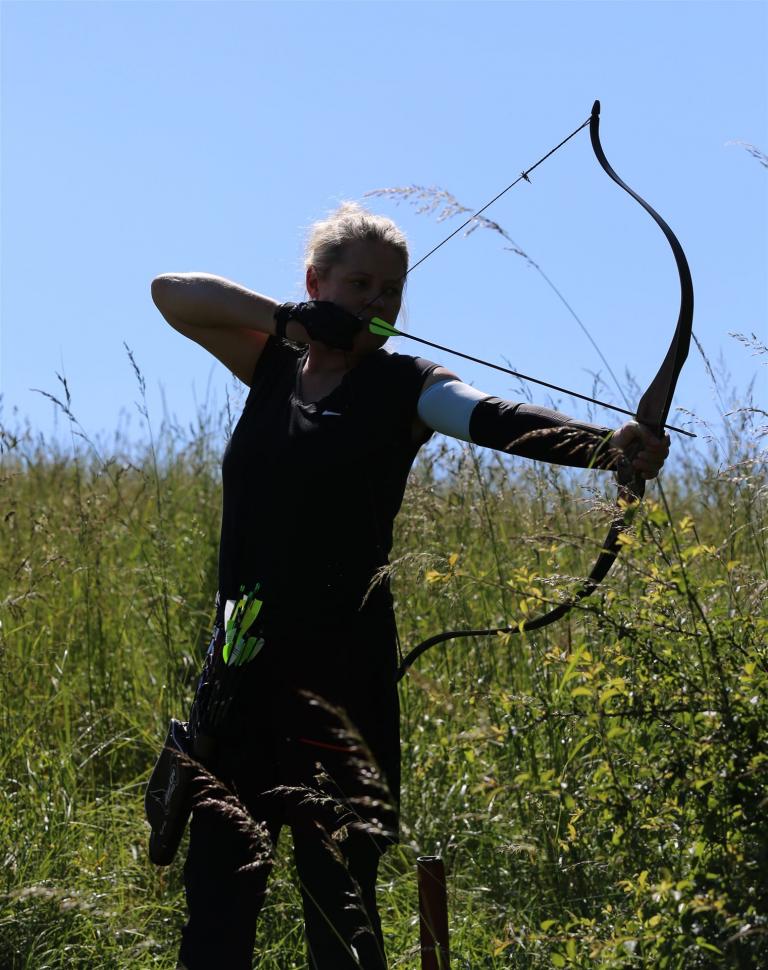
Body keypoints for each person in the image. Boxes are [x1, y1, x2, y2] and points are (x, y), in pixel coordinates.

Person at [150, 202, 669, 970]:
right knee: (215, 921)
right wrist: (291, 323)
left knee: (341, 918)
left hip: (339, 687)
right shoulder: (271, 366)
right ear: (315, 282)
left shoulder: (406, 385)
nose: (378, 303)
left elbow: (487, 415)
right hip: (238, 686)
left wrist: (604, 448)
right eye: (359, 285)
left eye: (391, 290)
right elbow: (171, 293)